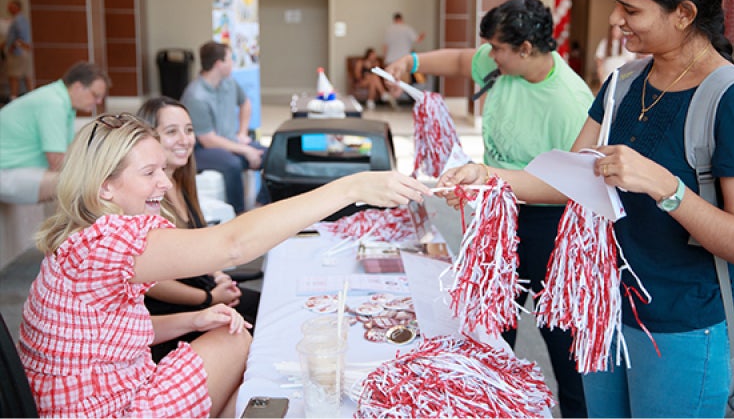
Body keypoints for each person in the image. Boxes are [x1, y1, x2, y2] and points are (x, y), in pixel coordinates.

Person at [438, 0, 734, 416]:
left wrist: (666, 187)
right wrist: (488, 177)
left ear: (684, 13)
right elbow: (572, 179)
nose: (617, 20)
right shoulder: (623, 82)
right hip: (602, 314)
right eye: (616, 2)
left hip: (679, 328)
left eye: (632, 9)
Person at [18, 112, 430, 417]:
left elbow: (110, 334)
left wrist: (193, 320)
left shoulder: (80, 238)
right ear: (104, 185)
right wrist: (350, 187)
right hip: (107, 409)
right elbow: (232, 246)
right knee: (239, 344)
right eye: (149, 172)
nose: (164, 183)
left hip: (82, 401)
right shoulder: (106, 242)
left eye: (162, 169)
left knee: (235, 346)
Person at [386, 0, 594, 418]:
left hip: (551, 223)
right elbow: (464, 61)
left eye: (498, 49)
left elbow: (575, 185)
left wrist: (492, 180)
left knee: (562, 341)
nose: (489, 56)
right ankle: (491, 404)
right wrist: (410, 62)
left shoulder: (570, 102)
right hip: (498, 216)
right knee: (490, 327)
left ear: (526, 49)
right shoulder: (503, 66)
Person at [136, 96, 260, 363]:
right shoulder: (143, 197)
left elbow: (200, 242)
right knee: (254, 329)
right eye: (171, 132)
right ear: (148, 138)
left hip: (201, 289)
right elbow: (149, 281)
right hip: (172, 311)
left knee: (270, 310)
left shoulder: (182, 182)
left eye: (189, 130)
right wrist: (207, 297)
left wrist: (218, 276)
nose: (185, 139)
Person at [0, 61, 108, 204]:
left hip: (14, 170)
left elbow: (69, 153)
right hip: (6, 172)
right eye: (95, 95)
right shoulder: (53, 103)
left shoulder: (61, 101)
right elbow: (57, 162)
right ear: (77, 87)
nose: (99, 101)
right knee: (81, 183)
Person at [181, 40, 269, 214]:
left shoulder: (229, 83)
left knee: (271, 156)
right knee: (232, 164)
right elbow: (208, 140)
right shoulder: (196, 96)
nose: (232, 64)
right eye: (230, 60)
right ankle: (239, 213)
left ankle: (261, 205)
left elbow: (245, 104)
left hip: (231, 142)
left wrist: (243, 133)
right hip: (202, 150)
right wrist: (245, 150)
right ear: (219, 64)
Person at [383, 12, 425, 88]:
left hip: (390, 60)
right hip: (403, 60)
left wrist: (385, 59)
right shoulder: (407, 28)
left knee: (392, 82)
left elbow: (385, 46)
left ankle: (392, 98)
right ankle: (399, 97)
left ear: (394, 19)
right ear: (401, 19)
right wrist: (422, 35)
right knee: (404, 83)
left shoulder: (388, 30)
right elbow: (418, 40)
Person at [3, 0, 33, 98]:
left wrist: (12, 46)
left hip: (17, 53)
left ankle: (14, 97)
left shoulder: (18, 21)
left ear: (16, 7)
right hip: (22, 52)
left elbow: (20, 38)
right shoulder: (19, 20)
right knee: (25, 76)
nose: (8, 9)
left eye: (10, 6)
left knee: (14, 76)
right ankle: (31, 96)